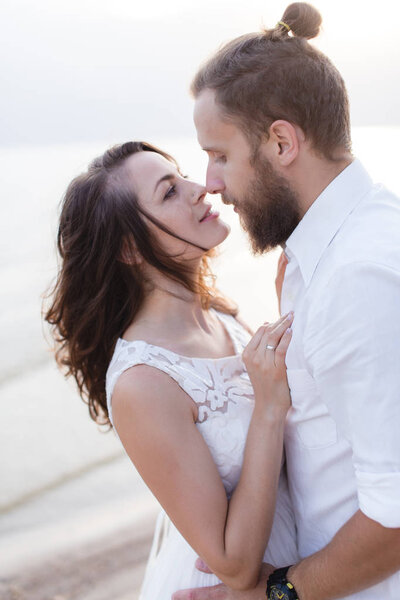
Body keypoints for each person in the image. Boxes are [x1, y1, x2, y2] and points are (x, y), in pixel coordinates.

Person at [173, 2, 400, 600]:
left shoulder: (359, 277)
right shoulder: (324, 253)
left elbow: (397, 518)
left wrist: (276, 592)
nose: (211, 182)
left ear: (280, 142)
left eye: (219, 154)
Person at [44, 140, 299, 599]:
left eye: (182, 177)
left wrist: (291, 315)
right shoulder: (143, 382)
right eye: (168, 192)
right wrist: (268, 407)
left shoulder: (220, 314)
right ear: (128, 248)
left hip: (293, 569)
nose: (200, 189)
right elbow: (236, 567)